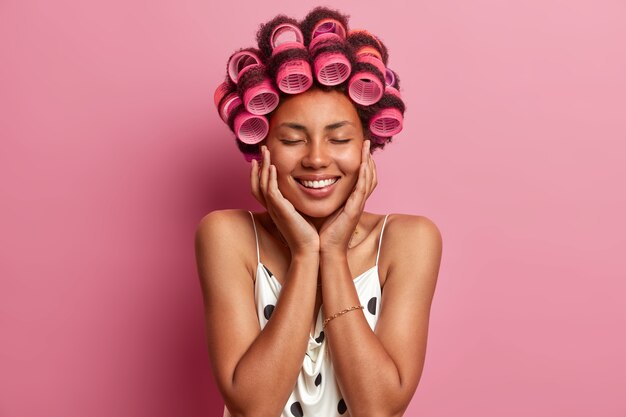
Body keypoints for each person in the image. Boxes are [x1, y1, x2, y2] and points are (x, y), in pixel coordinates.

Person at [195, 7, 442, 417]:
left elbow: (378, 408)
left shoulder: (409, 241)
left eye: (339, 138)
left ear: (367, 144)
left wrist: (333, 251)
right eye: (293, 140)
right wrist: (307, 252)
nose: (316, 159)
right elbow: (253, 408)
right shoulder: (226, 235)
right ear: (263, 147)